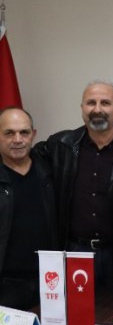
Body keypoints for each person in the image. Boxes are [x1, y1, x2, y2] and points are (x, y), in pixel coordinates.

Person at [34, 81, 113, 286]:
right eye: (91, 103)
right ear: (82, 108)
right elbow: (24, 161)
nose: (97, 109)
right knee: (74, 306)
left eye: (105, 103)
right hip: (72, 251)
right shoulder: (60, 145)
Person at [0, 107, 58, 310]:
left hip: (50, 281)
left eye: (24, 132)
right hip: (6, 285)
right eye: (9, 133)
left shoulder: (51, 170)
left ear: (33, 134)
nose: (17, 139)